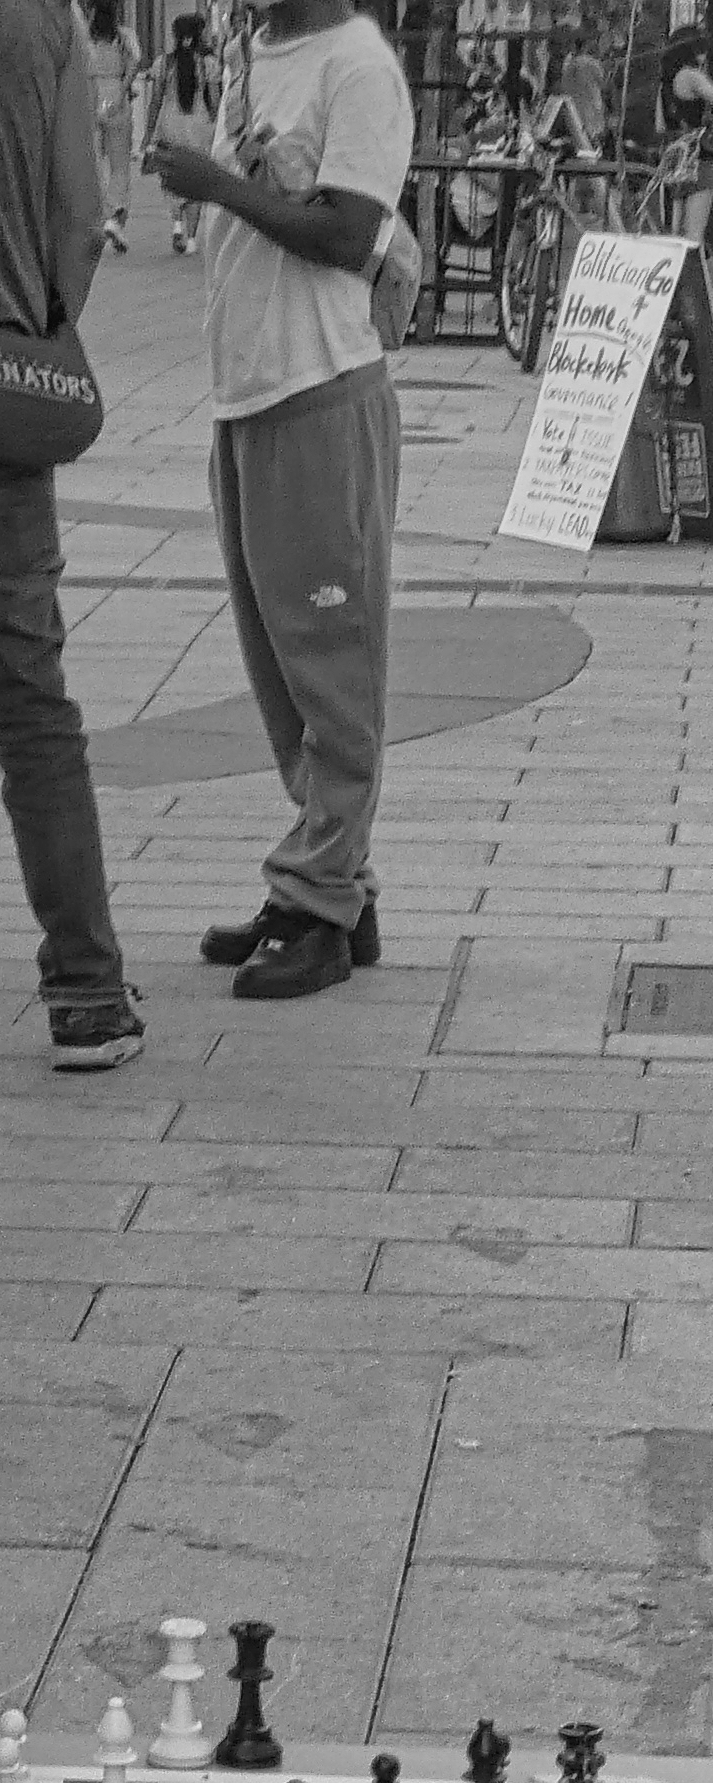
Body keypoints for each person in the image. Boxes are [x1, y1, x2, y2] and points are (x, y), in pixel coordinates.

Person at [149, 0, 412, 1004]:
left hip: (320, 385)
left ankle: (322, 899)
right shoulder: (256, 51)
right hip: (252, 391)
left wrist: (217, 185)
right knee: (279, 664)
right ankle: (332, 878)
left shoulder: (359, 66)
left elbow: (350, 234)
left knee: (330, 662)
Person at [0, 0, 140, 1068]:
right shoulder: (40, 19)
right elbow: (79, 220)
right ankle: (86, 995)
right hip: (1, 392)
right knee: (30, 699)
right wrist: (43, 328)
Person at [660, 11, 713, 243]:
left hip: (675, 156)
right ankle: (692, 275)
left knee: (676, 229)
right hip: (698, 158)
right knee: (694, 233)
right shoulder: (692, 76)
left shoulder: (668, 80)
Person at [149, 15, 221, 251]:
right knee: (197, 178)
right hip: (199, 127)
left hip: (170, 126)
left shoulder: (163, 63)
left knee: (171, 176)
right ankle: (191, 239)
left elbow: (156, 100)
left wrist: (148, 132)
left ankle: (177, 224)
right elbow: (214, 100)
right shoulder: (208, 64)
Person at [85, 0, 141, 250]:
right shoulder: (124, 36)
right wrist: (123, 88)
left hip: (89, 94)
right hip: (115, 94)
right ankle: (115, 212)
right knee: (119, 164)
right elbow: (135, 62)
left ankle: (96, 213)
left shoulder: (85, 36)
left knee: (93, 160)